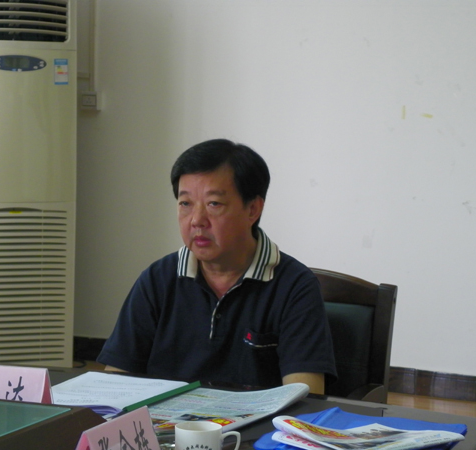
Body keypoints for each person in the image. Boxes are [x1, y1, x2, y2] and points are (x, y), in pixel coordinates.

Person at [97, 139, 336, 394]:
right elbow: (114, 384)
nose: (197, 220)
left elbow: (306, 396)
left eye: (214, 204)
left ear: (253, 209)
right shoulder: (158, 279)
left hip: (258, 420)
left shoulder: (295, 286)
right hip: (167, 419)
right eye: (185, 203)